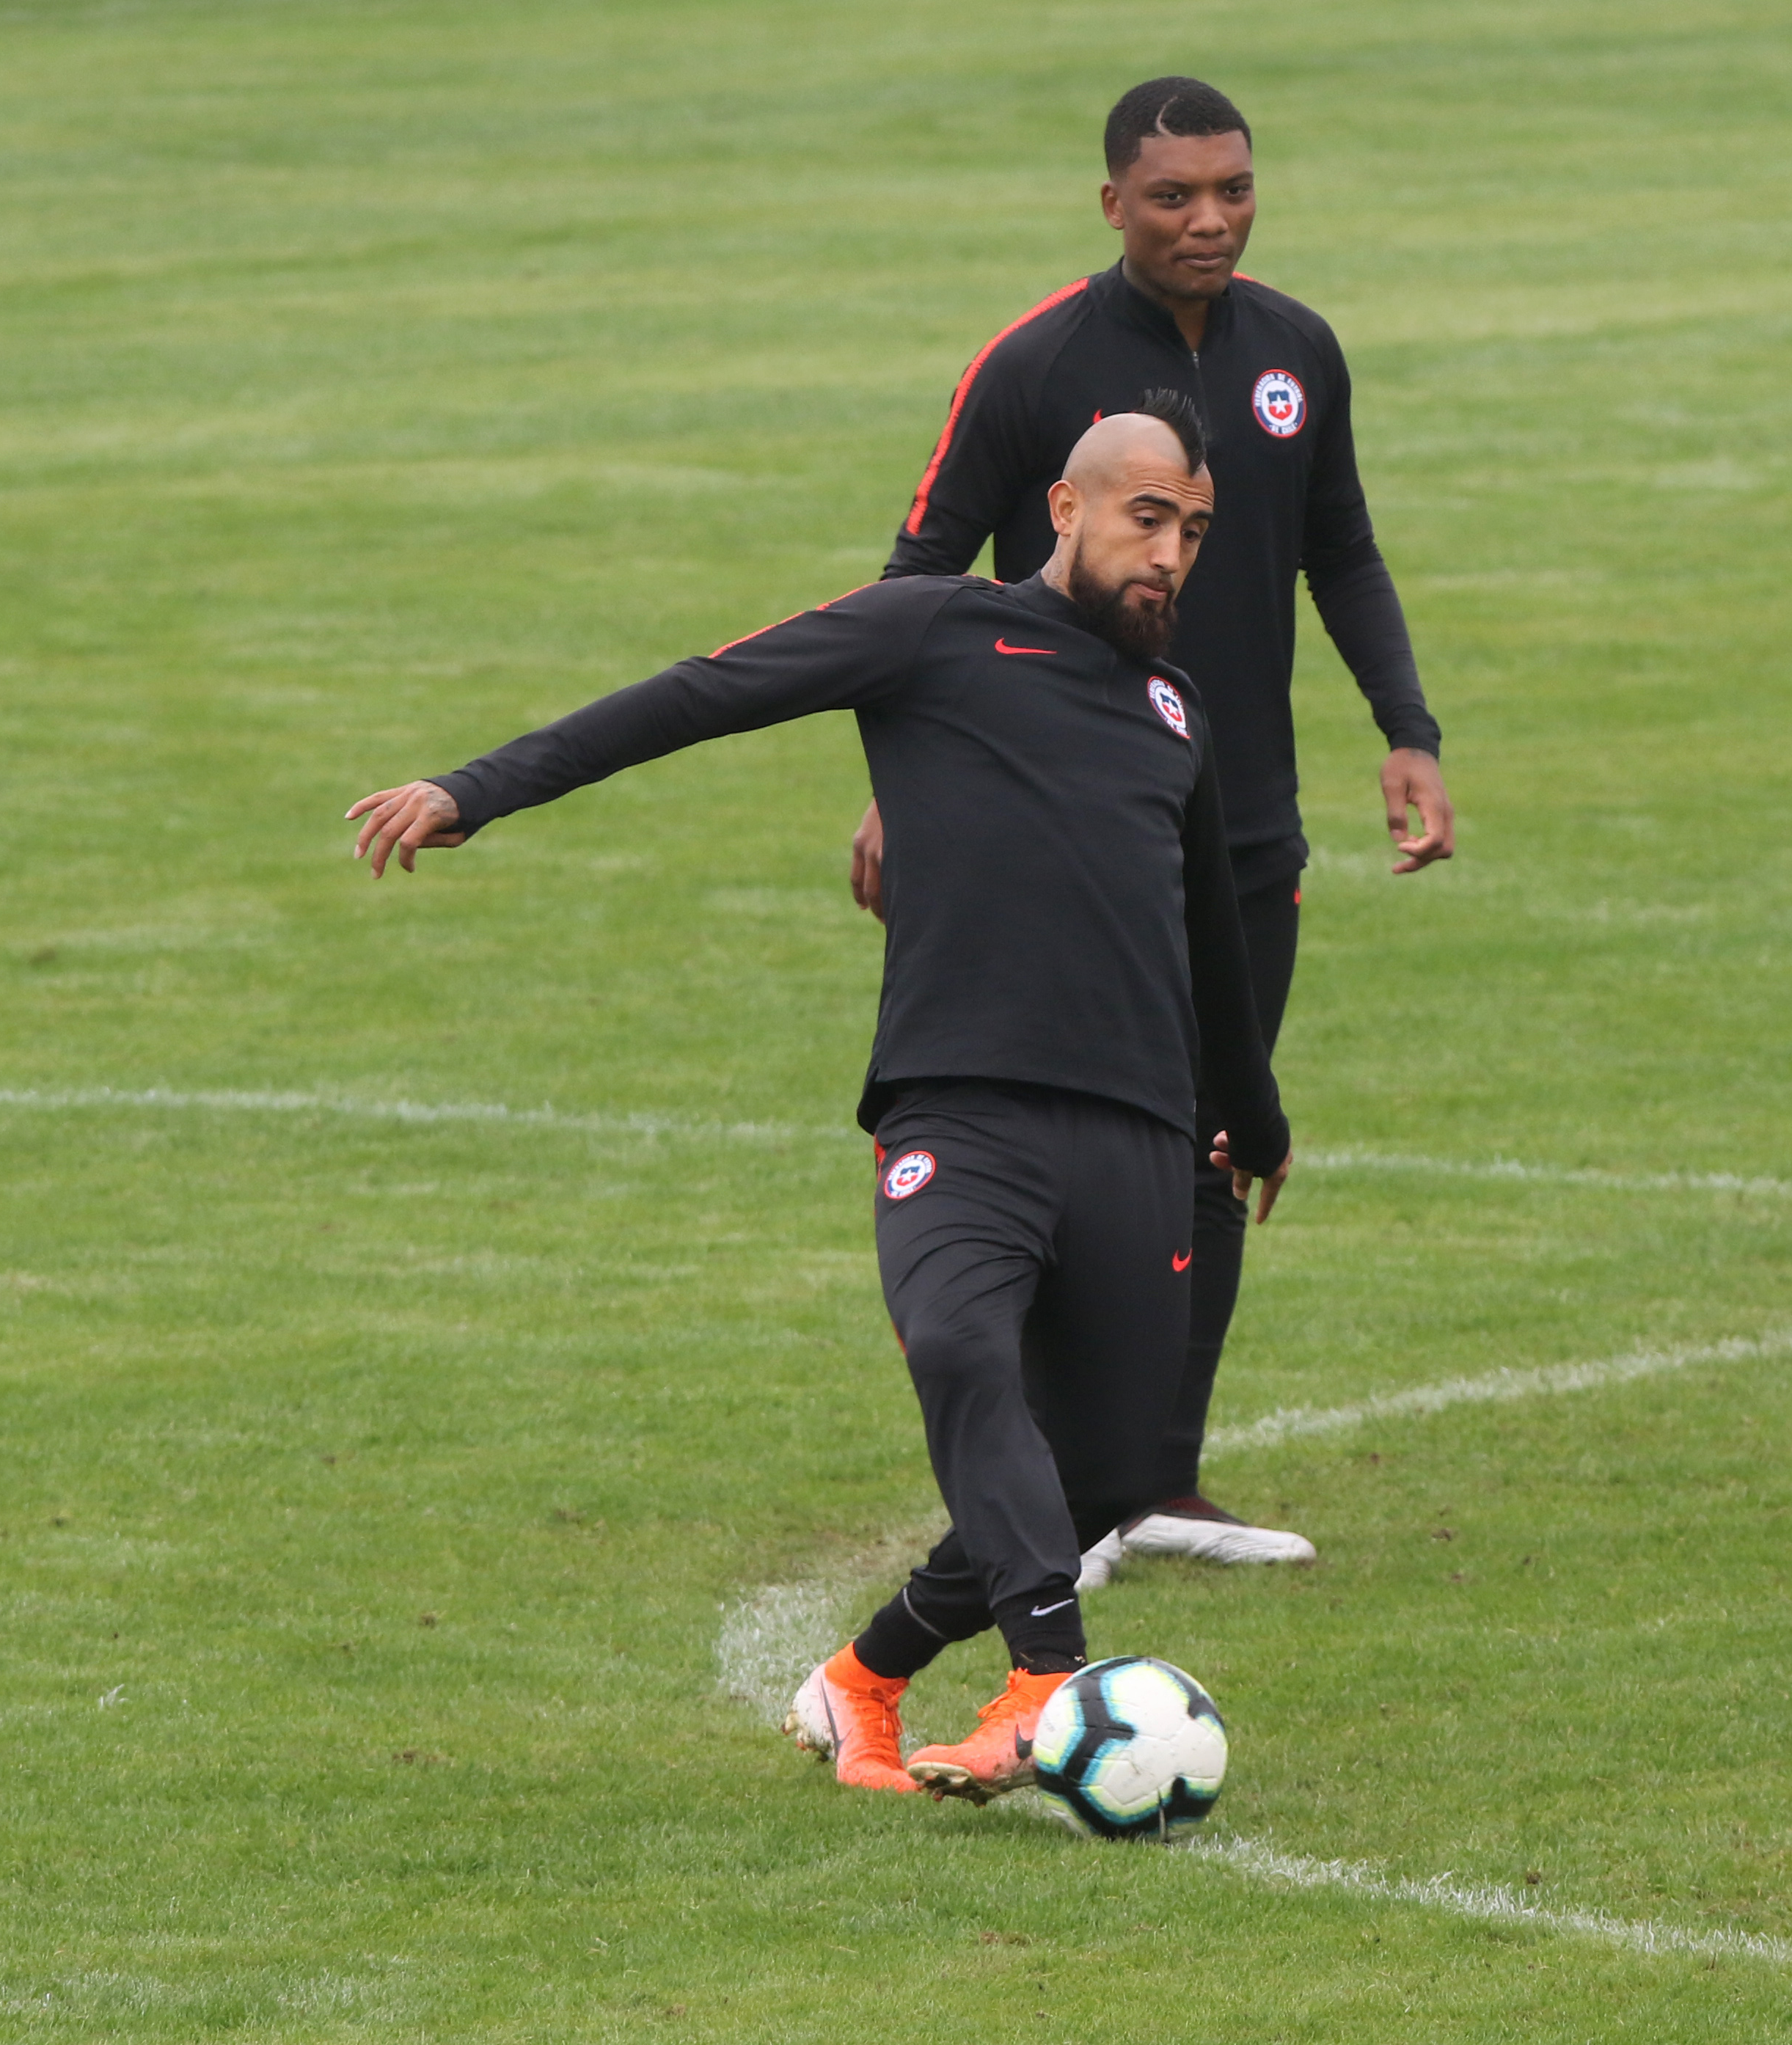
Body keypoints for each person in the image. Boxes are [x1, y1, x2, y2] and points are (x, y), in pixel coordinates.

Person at [344, 403, 1292, 1802]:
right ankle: (1045, 1689)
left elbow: (1208, 927)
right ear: (1067, 511)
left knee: (1101, 1476)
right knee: (965, 1352)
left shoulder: (1174, 709)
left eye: (1195, 531)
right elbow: (695, 694)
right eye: (1148, 519)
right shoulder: (931, 632)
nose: (1171, 554)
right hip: (960, 1113)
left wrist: (1251, 1114)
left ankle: (861, 1680)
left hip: (1143, 1137)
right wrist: (479, 789)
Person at [851, 76, 1449, 1580]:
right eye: (1175, 195)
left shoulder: (1295, 354)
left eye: (1234, 190)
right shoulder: (1034, 365)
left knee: (1217, 1138)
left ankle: (1160, 1478)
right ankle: (1063, 1484)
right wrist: (891, 784)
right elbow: (918, 573)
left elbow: (1344, 549)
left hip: (1243, 827)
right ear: (1111, 201)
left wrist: (1407, 731)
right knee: (1088, 1152)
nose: (1210, 220)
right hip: (1065, 833)